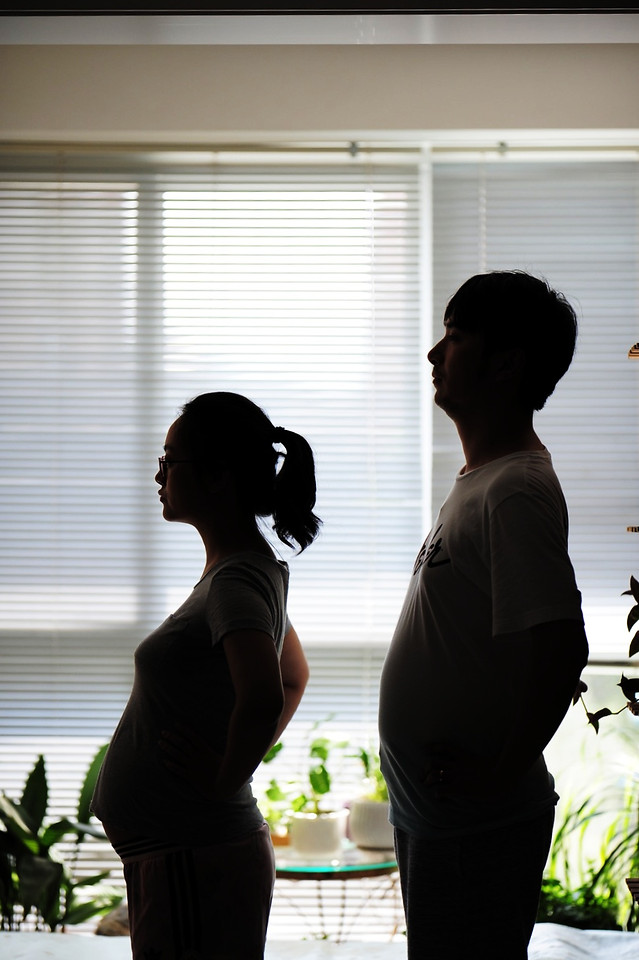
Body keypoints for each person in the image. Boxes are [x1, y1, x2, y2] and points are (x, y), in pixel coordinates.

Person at [378, 271, 589, 960]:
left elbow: (560, 644)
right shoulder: (482, 482)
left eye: (456, 337)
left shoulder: (515, 490)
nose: (434, 355)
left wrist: (498, 773)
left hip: (476, 827)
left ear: (505, 364)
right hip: (442, 821)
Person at [91, 391, 320, 960]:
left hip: (194, 856)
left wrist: (223, 780)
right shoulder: (244, 570)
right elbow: (294, 677)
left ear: (218, 476)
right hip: (184, 856)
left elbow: (267, 694)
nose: (158, 473)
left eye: (171, 460)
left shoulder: (236, 581)